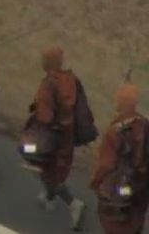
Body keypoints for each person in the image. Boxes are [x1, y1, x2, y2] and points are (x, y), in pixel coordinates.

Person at [29, 46, 87, 230]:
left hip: (49, 140)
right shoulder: (70, 79)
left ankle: (72, 204)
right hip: (66, 137)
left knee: (44, 169)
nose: (41, 62)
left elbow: (45, 117)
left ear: (49, 63)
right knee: (56, 169)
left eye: (44, 59)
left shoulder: (47, 85)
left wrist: (36, 110)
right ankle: (49, 195)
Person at [91, 83, 149, 234]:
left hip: (117, 189)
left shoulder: (115, 131)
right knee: (135, 224)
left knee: (115, 224)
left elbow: (106, 164)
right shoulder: (144, 124)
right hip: (140, 188)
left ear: (121, 102)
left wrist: (96, 182)